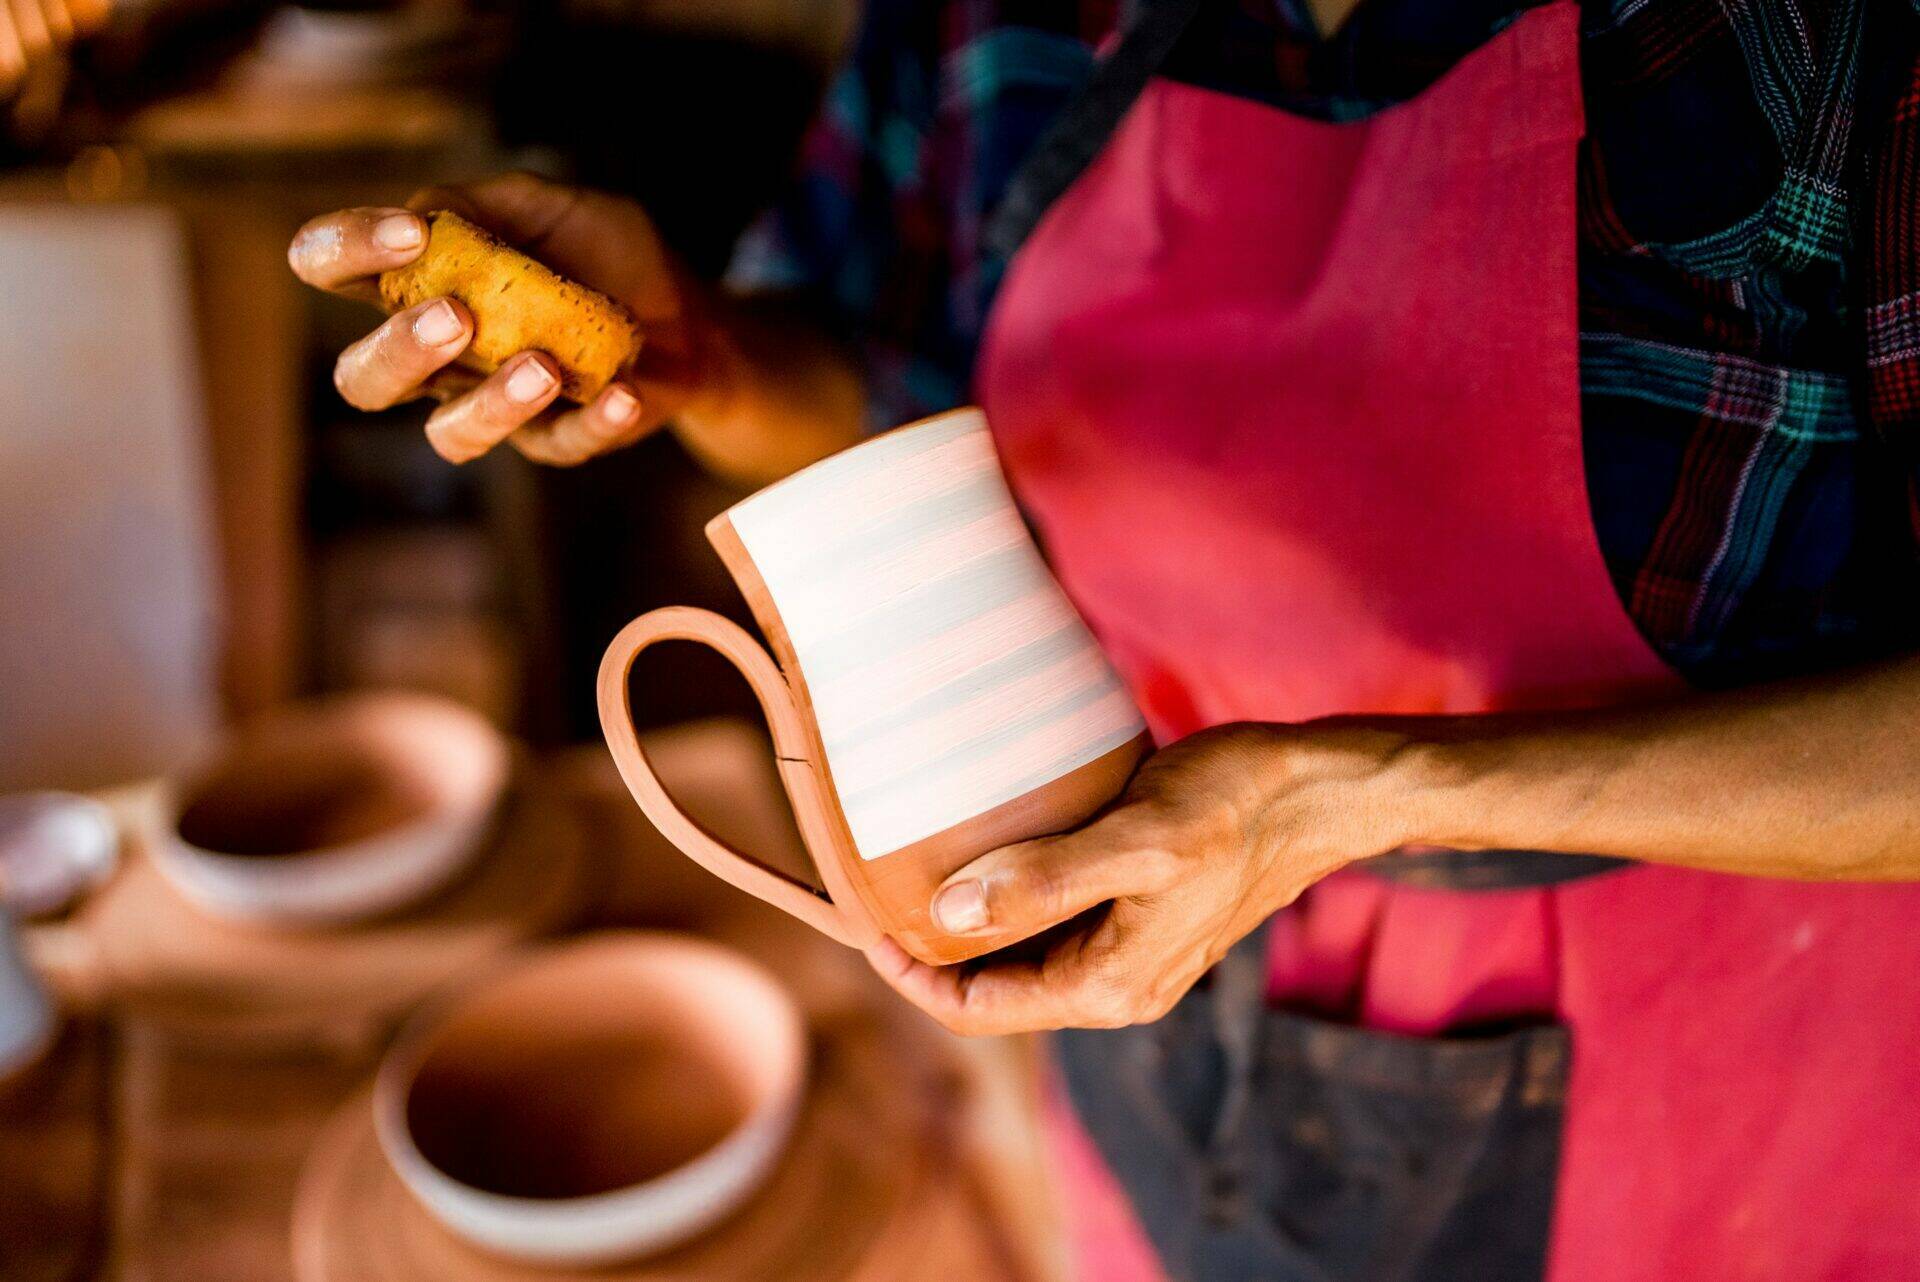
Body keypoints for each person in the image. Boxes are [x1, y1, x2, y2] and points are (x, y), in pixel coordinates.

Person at [291, 0, 1920, 1277]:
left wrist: (1352, 792)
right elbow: (899, 403)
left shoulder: (1803, 47)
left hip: (1702, 1117)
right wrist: (702, 351)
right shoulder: (991, 16)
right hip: (1154, 998)